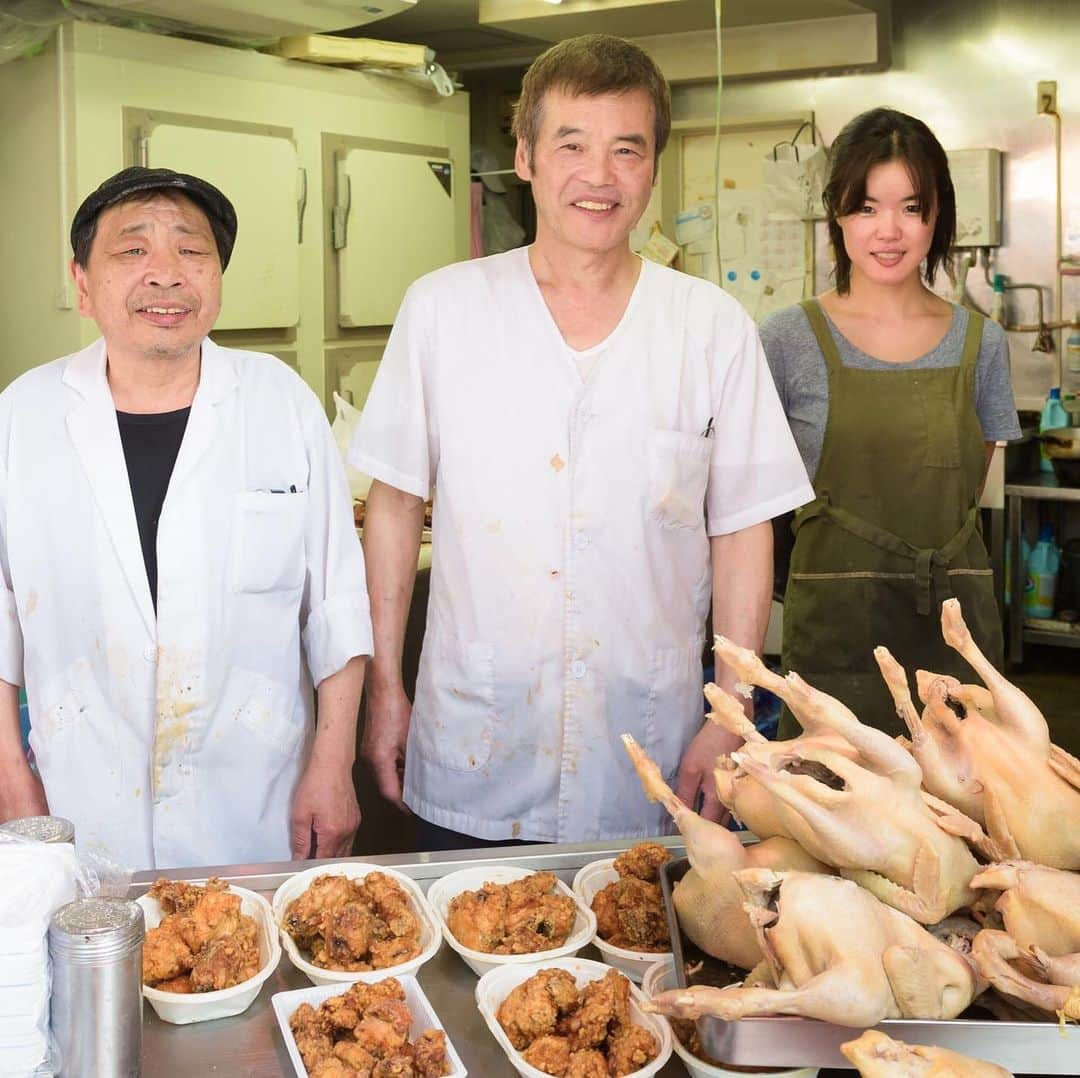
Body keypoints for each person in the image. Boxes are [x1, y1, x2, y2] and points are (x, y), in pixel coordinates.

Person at [351, 34, 813, 850]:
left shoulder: (709, 328)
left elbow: (742, 530)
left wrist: (731, 709)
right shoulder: (443, 312)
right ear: (525, 156)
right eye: (572, 144)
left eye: (626, 149)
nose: (599, 176)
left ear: (652, 167)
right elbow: (393, 507)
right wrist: (385, 686)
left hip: (651, 751)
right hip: (475, 744)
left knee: (643, 965)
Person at [0, 167, 374, 869]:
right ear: (82, 284)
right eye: (132, 250)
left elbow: (335, 603)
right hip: (77, 794)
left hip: (256, 792)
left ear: (218, 279)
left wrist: (334, 764)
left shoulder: (278, 402)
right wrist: (8, 777)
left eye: (191, 251)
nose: (165, 275)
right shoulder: (23, 416)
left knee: (249, 962)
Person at [760, 108, 1021, 738]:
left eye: (911, 207)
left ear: (938, 215)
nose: (889, 230)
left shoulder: (981, 345)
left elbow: (967, 487)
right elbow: (759, 509)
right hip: (835, 646)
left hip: (954, 644)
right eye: (867, 207)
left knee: (967, 821)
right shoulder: (788, 340)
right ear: (838, 216)